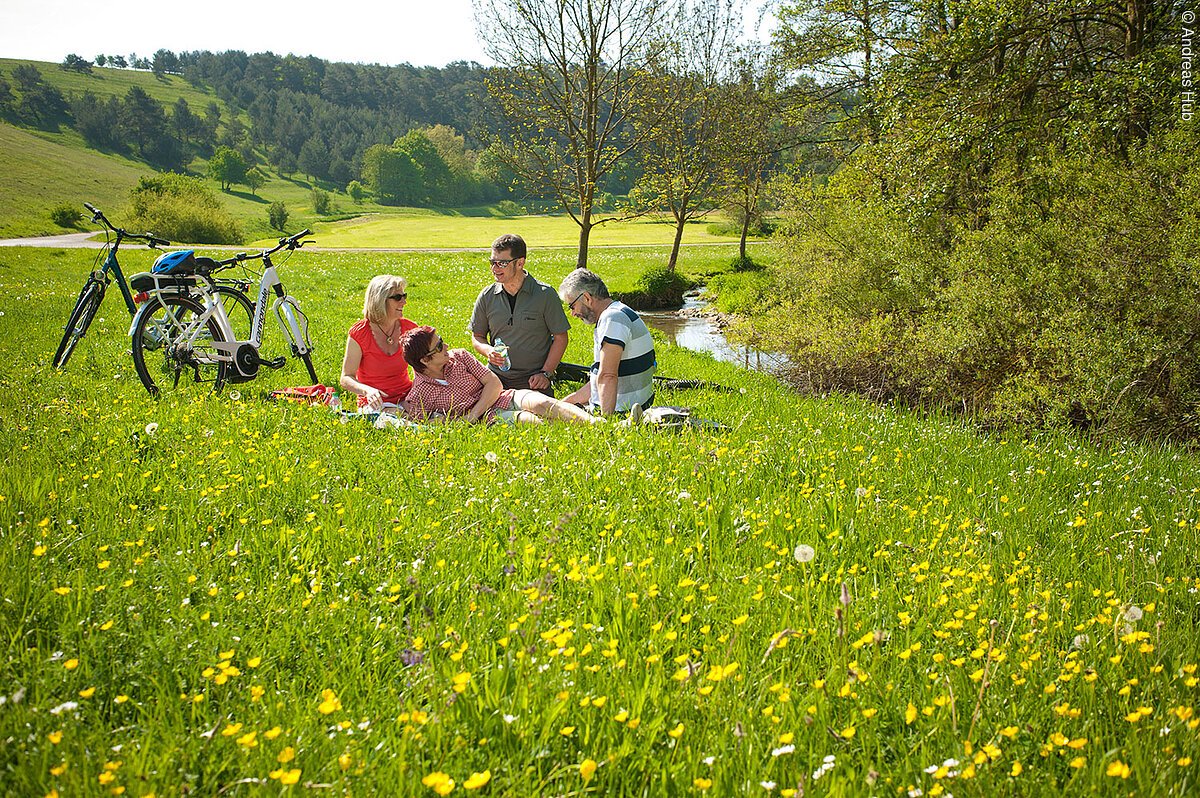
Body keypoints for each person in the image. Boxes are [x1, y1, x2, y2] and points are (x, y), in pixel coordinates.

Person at [401, 326, 603, 426]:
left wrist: (471, 415)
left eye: (442, 340)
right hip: (490, 418)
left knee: (543, 403)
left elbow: (494, 384)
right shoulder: (420, 394)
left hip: (504, 396)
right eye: (438, 346)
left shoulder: (459, 356)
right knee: (532, 422)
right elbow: (427, 422)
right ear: (425, 361)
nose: (446, 346)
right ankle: (580, 417)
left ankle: (599, 425)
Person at [469, 234, 569, 395]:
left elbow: (561, 337)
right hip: (495, 378)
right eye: (492, 262)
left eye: (502, 263)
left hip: (533, 380)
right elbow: (477, 336)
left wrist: (546, 373)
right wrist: (488, 350)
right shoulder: (487, 296)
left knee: (539, 417)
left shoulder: (545, 294)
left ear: (520, 263)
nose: (495, 268)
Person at [558, 268, 656, 416]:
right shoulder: (620, 311)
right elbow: (598, 380)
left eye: (572, 306)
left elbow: (608, 375)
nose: (572, 313)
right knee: (548, 408)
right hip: (635, 406)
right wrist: (563, 404)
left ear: (586, 298)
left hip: (621, 411)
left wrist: (605, 422)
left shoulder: (613, 319)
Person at [340, 275, 418, 412]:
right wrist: (367, 391)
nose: (404, 302)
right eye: (398, 297)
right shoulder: (360, 333)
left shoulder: (410, 329)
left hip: (407, 398)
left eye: (404, 296)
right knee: (394, 419)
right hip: (375, 404)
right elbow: (346, 377)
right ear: (380, 300)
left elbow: (421, 369)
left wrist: (417, 394)